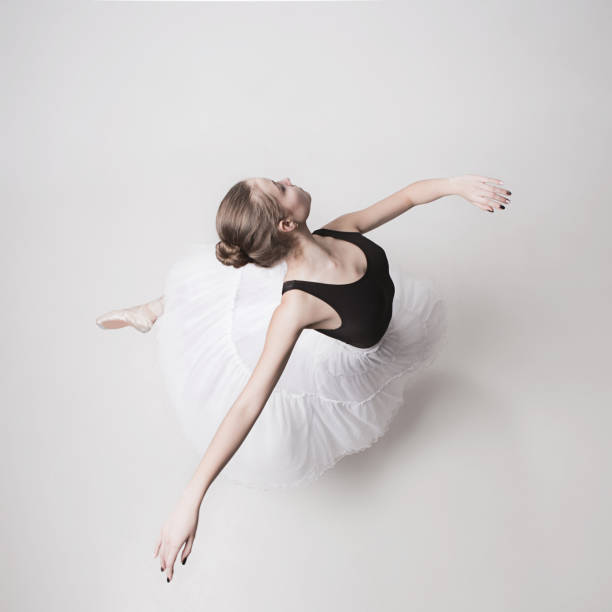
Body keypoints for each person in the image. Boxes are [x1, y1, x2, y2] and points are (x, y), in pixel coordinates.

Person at [96, 174, 511, 581]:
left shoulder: (341, 230)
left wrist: (457, 186)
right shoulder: (295, 308)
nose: (288, 178)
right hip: (340, 337)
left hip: (336, 287)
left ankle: (160, 304)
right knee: (257, 302)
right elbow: (247, 405)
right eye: (280, 187)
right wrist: (192, 496)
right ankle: (162, 308)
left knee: (259, 276)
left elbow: (407, 196)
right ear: (286, 223)